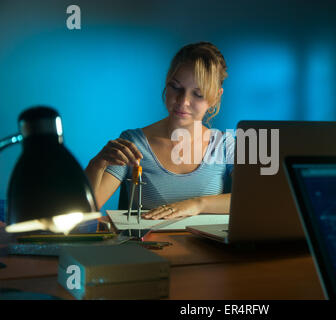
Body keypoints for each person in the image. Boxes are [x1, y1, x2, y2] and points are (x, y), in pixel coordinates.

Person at [85, 42, 234, 220]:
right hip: (147, 248)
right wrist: (97, 164)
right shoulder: (134, 142)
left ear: (216, 96)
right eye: (176, 87)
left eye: (198, 94)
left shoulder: (226, 145)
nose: (183, 101)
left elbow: (251, 201)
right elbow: (86, 211)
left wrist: (196, 204)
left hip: (206, 248)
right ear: (167, 83)